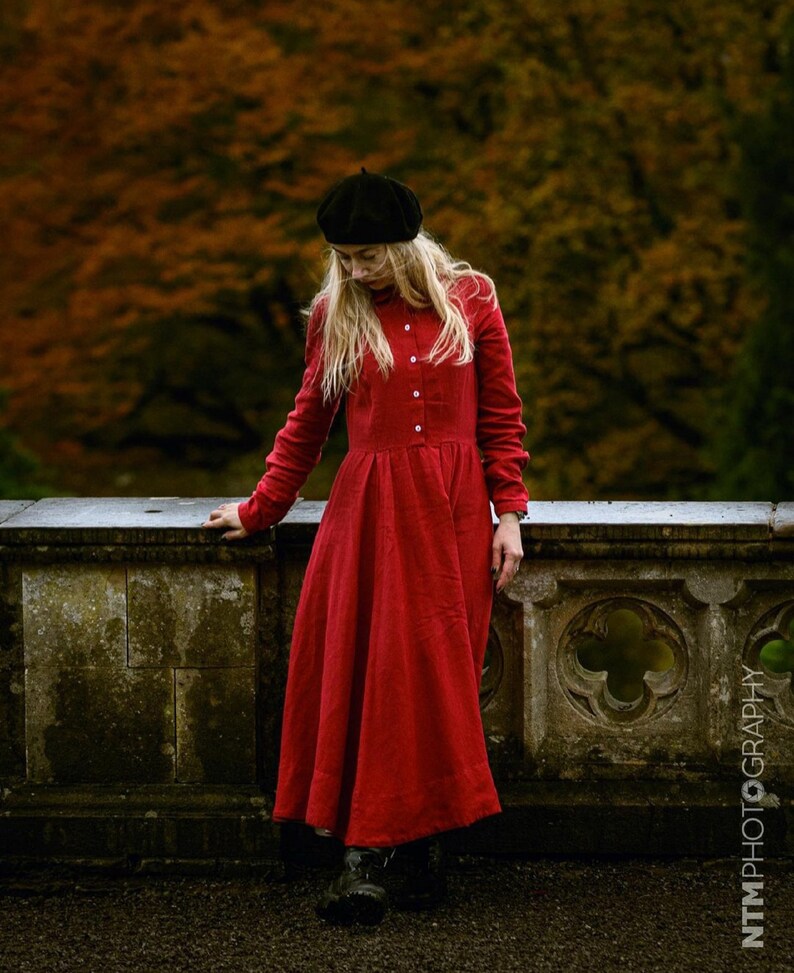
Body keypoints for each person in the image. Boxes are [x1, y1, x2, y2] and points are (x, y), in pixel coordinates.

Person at [203, 168, 530, 925]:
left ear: (406, 245)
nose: (354, 270)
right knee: (373, 679)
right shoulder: (334, 313)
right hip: (371, 517)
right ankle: (364, 857)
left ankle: (420, 848)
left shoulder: (472, 297)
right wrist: (261, 509)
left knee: (433, 682)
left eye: (368, 256)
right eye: (344, 257)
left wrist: (508, 512)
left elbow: (503, 417)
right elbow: (307, 424)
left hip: (452, 519)